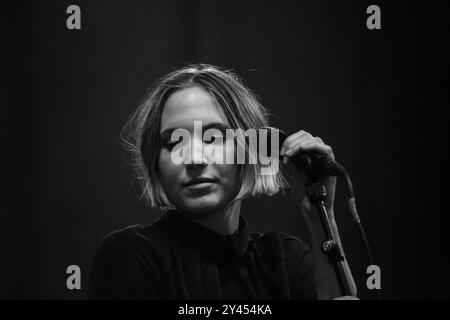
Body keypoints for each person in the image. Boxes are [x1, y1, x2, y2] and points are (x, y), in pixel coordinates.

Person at [88, 64, 356, 300]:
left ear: (252, 150)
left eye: (213, 137)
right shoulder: (130, 256)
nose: (193, 157)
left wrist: (320, 214)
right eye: (174, 142)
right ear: (154, 163)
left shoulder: (285, 260)